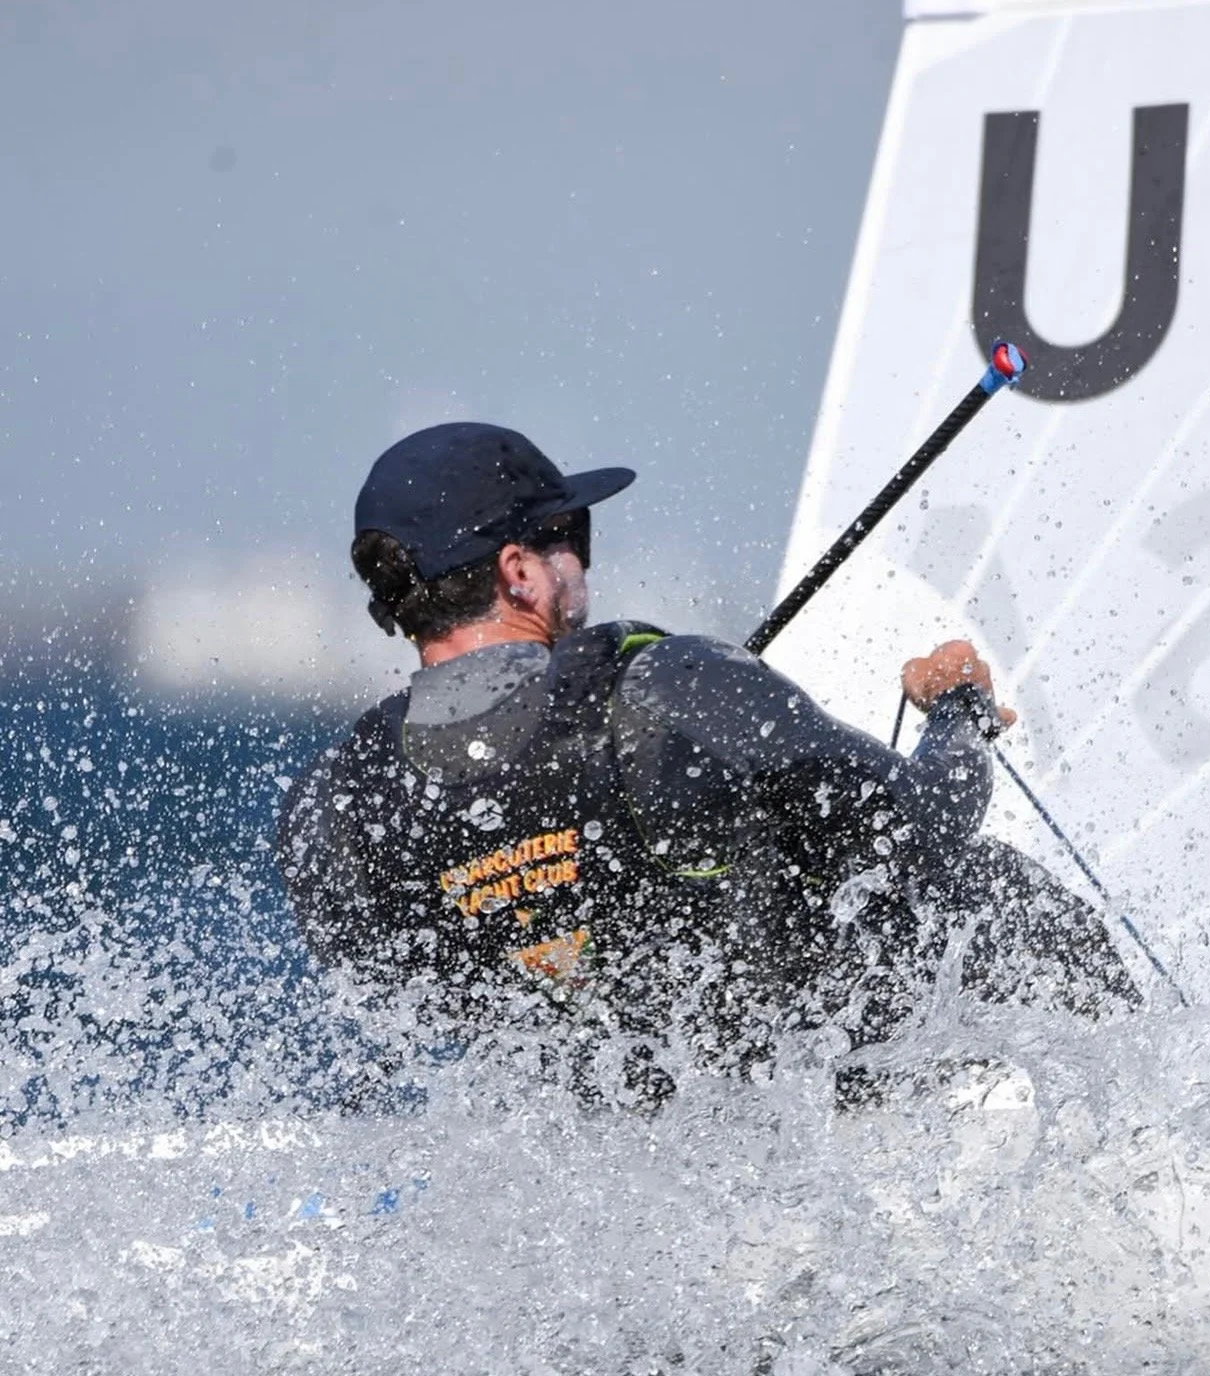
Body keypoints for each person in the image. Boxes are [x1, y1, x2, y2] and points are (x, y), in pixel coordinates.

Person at [277, 423, 1135, 1096]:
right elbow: (927, 823)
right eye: (570, 533)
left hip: (612, 1168)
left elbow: (414, 997)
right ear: (518, 574)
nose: (583, 557)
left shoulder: (335, 799)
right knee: (976, 879)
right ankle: (1137, 1107)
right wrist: (958, 713)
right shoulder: (667, 685)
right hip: (803, 1114)